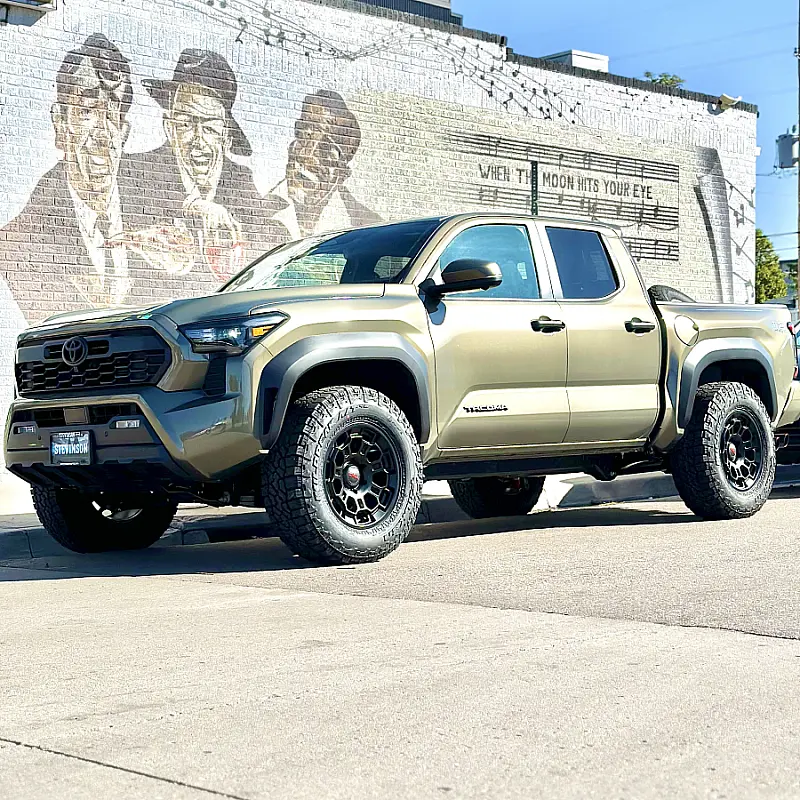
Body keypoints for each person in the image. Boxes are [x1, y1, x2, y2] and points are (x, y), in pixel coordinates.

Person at [119, 49, 289, 285]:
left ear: (226, 136)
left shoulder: (241, 181)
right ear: (169, 128)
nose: (198, 140)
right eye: (186, 124)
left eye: (209, 128)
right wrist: (192, 206)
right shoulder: (136, 172)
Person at [0, 34, 134, 323]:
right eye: (87, 112)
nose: (103, 134)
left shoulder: (155, 210)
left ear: (125, 132)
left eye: (114, 116)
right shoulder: (22, 242)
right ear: (60, 123)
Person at [273, 90, 382, 239]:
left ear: (342, 173)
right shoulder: (260, 212)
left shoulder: (367, 228)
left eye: (325, 147)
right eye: (302, 133)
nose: (308, 154)